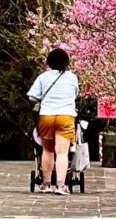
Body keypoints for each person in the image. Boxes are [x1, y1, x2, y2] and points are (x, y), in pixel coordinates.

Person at [27, 47, 80, 195]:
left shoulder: (43, 77)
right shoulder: (72, 77)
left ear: (49, 62)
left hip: (47, 116)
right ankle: (61, 186)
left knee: (47, 150)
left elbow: (32, 96)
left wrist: (43, 99)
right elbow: (75, 94)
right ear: (66, 62)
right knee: (62, 153)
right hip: (65, 116)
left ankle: (46, 184)